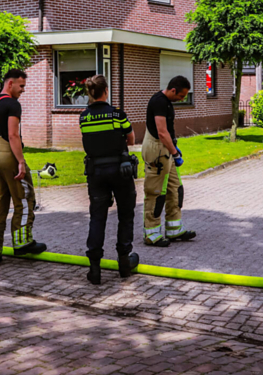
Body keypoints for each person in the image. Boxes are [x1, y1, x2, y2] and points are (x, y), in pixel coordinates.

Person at [0, 68, 46, 266]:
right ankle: (22, 242)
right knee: (23, 198)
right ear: (10, 83)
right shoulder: (12, 104)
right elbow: (13, 135)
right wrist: (20, 161)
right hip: (9, 152)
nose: (23, 90)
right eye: (21, 86)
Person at [79, 74, 139, 285]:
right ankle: (124, 262)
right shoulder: (116, 114)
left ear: (90, 93)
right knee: (125, 214)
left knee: (97, 218)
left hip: (95, 172)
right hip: (120, 171)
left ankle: (94, 268)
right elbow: (131, 138)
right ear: (106, 91)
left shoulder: (84, 117)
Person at [141, 76, 197, 247]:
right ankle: (152, 234)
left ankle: (174, 229)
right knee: (156, 192)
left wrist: (173, 149)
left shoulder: (166, 102)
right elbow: (162, 132)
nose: (182, 99)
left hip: (167, 151)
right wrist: (175, 152)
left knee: (175, 189)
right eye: (181, 96)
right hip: (158, 152)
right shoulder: (158, 102)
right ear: (173, 90)